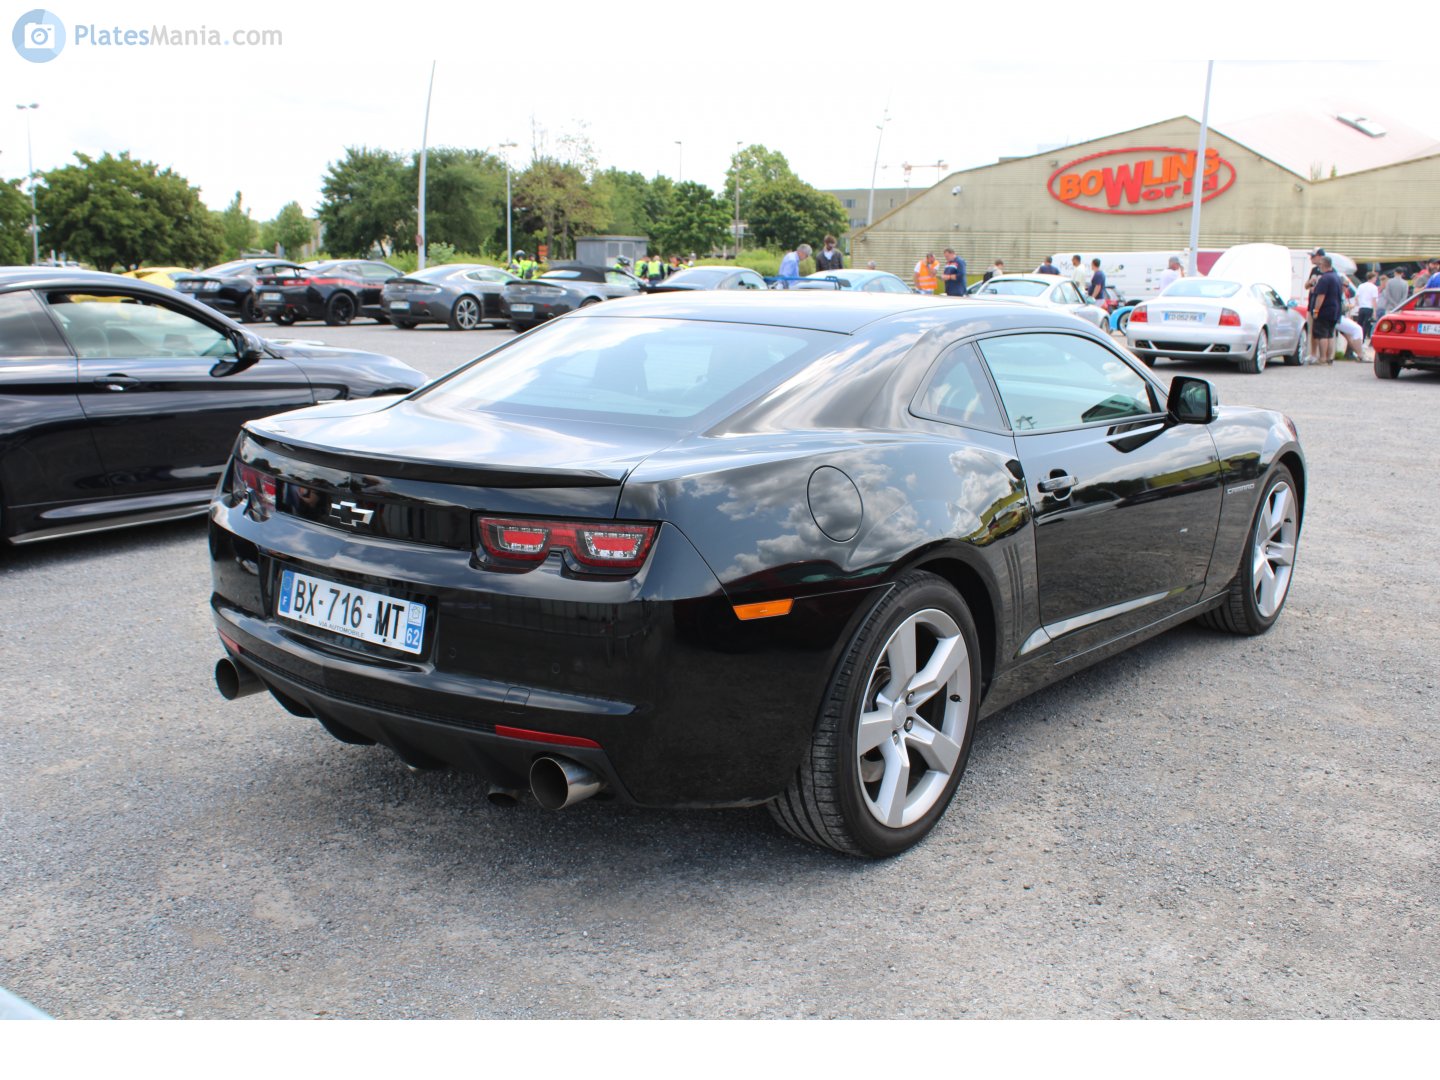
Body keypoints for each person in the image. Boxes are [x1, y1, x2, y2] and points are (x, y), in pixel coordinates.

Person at [1308, 255, 1344, 364]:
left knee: (1322, 335)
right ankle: (1329, 357)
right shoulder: (1337, 277)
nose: (1319, 267)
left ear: (1324, 265)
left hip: (1325, 310)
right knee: (1330, 334)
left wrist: (1316, 311)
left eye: (1320, 265)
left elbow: (1321, 296)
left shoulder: (1325, 278)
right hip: (1335, 310)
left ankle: (1322, 358)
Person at [1355, 271, 1379, 340]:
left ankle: (1357, 339)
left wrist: (1359, 304)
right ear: (1373, 278)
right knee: (1365, 326)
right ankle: (1362, 340)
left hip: (1361, 308)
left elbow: (1356, 297)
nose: (1376, 279)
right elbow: (1374, 300)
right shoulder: (1374, 287)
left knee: (1359, 325)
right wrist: (1374, 312)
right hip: (1369, 308)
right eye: (1375, 278)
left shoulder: (1361, 286)